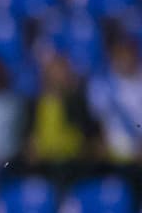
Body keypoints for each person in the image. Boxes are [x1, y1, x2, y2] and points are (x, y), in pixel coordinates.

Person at [23, 51, 101, 183]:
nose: (59, 75)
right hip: (44, 165)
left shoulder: (78, 102)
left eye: (63, 70)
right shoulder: (34, 104)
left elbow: (88, 136)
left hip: (73, 164)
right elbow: (28, 138)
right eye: (55, 71)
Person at [89, 34, 142, 164]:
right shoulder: (101, 86)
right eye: (119, 55)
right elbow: (98, 121)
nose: (124, 59)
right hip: (114, 156)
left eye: (127, 54)